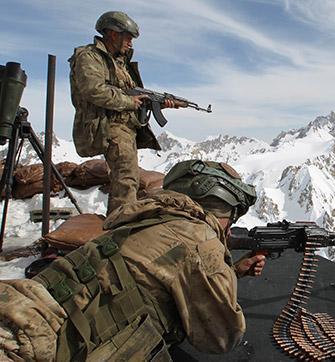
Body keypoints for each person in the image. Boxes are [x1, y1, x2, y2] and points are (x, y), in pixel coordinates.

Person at [0, 160, 266, 361]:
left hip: (20, 312)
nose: (228, 228)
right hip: (36, 346)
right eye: (230, 217)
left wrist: (232, 271)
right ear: (219, 207)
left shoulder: (141, 218)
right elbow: (221, 338)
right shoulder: (199, 239)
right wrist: (224, 275)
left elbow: (152, 274)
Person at [69, 11, 176, 215]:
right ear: (112, 34)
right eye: (127, 37)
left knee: (128, 179)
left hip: (126, 129)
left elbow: (134, 98)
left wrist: (158, 104)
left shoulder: (119, 62)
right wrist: (129, 101)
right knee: (125, 180)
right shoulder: (88, 56)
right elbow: (93, 89)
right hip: (109, 127)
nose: (130, 44)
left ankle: (119, 225)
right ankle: (118, 231)